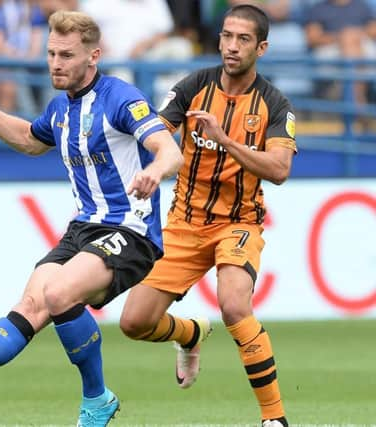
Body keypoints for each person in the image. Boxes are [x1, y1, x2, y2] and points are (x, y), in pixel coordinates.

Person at [0, 9, 183, 426]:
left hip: (131, 229)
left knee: (58, 294)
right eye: (51, 53)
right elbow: (30, 141)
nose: (55, 62)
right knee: (32, 305)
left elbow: (170, 151)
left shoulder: (122, 98)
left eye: (67, 55)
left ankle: (97, 399)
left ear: (93, 57)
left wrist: (153, 171)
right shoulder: (59, 109)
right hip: (83, 229)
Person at [119, 4, 296, 427]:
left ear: (262, 47)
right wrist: (157, 161)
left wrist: (225, 140)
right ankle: (190, 333)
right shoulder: (194, 86)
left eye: (243, 39)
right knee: (134, 322)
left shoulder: (274, 103)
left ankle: (274, 419)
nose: (232, 47)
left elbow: (280, 170)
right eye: (227, 37)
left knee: (234, 306)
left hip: (238, 222)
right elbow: (156, 133)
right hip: (184, 222)